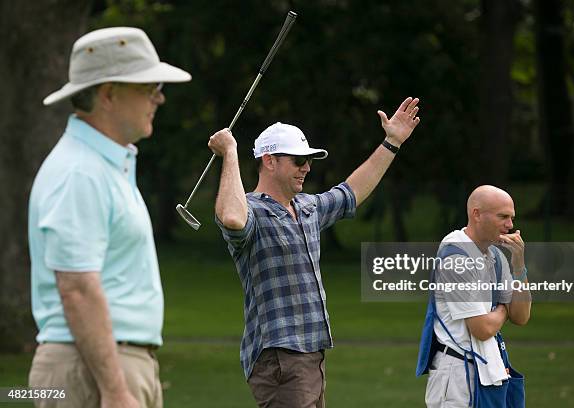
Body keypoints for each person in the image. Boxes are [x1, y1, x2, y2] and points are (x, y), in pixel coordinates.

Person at [209, 96, 421, 407]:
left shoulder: (307, 207)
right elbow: (230, 217)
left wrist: (391, 142)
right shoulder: (250, 210)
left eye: (308, 161)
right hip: (279, 356)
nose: (307, 168)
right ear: (269, 161)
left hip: (310, 355)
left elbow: (351, 191)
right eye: (298, 161)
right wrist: (230, 153)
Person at [28, 27, 191, 408]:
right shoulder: (80, 172)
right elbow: (77, 288)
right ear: (108, 94)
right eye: (148, 87)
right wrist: (115, 390)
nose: (159, 98)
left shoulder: (102, 166)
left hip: (106, 366)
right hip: (90, 371)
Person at [416, 185, 532, 408]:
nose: (510, 225)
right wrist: (503, 308)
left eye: (511, 217)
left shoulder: (496, 255)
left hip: (488, 369)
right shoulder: (456, 255)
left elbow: (521, 315)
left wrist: (519, 265)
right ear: (476, 214)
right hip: (458, 376)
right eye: (503, 217)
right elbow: (482, 328)